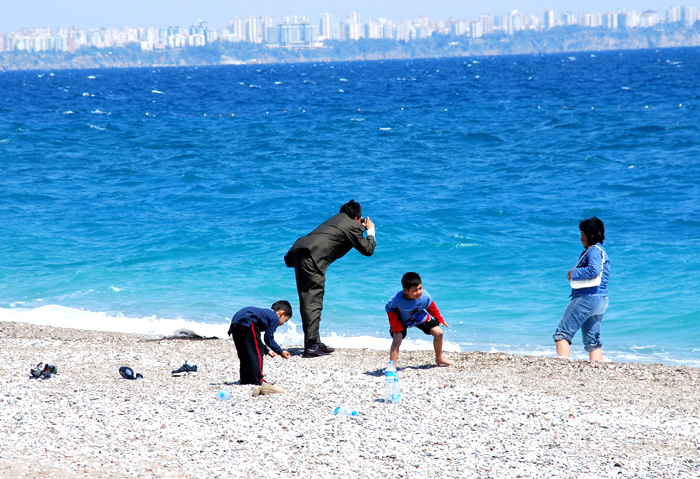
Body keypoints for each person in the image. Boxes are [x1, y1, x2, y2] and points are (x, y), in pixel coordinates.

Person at [284, 200, 376, 357]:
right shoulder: (352, 224)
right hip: (312, 255)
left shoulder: (336, 219)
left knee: (308, 299)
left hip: (300, 251)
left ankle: (314, 341)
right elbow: (368, 250)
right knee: (313, 300)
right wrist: (370, 231)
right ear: (356, 217)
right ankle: (311, 346)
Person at [553, 217, 611, 361]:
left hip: (587, 298)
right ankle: (598, 368)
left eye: (584, 233)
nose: (582, 237)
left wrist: (574, 273)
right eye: (581, 233)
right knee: (593, 342)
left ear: (592, 234)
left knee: (562, 334)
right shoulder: (601, 251)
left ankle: (561, 366)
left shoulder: (594, 250)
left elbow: (594, 270)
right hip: (601, 300)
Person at [385, 272, 454, 366]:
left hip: (419, 317)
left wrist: (439, 318)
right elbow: (390, 310)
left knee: (439, 333)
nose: (419, 292)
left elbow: (430, 306)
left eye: (420, 288)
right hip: (401, 319)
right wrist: (395, 325)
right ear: (405, 291)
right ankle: (392, 366)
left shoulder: (424, 296)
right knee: (397, 338)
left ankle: (439, 358)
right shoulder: (397, 299)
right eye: (415, 290)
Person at [227, 301, 292, 385]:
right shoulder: (275, 317)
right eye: (285, 320)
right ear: (281, 313)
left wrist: (267, 350)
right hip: (249, 321)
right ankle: (257, 379)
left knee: (244, 352)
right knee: (256, 353)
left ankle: (245, 378)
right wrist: (280, 351)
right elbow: (268, 338)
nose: (283, 324)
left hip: (236, 323)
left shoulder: (265, 314)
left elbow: (255, 340)